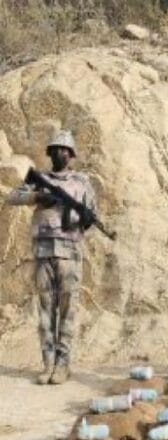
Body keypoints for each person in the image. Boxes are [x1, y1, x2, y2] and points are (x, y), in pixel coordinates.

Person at [5, 130, 96, 384]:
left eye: (65, 149)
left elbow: (91, 215)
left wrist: (83, 218)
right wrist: (37, 196)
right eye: (56, 149)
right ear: (49, 152)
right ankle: (47, 364)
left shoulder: (82, 182)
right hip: (43, 251)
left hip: (70, 253)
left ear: (71, 154)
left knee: (67, 309)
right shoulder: (39, 178)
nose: (60, 153)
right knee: (45, 309)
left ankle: (62, 365)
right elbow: (12, 197)